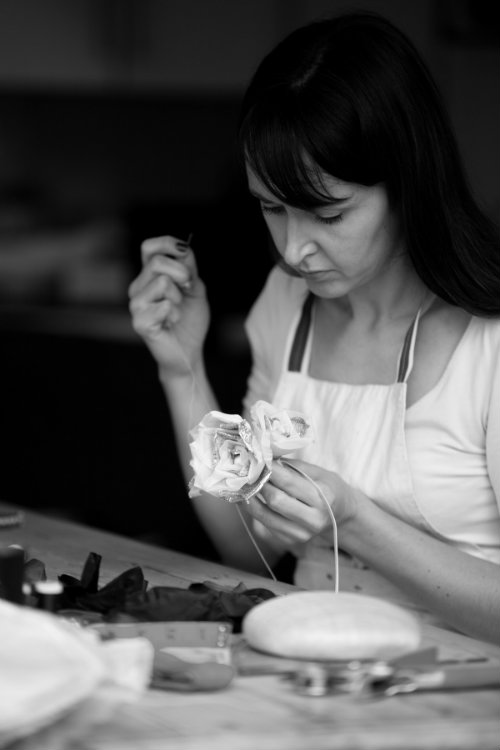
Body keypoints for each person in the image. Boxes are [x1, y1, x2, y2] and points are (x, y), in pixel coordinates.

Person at [128, 11, 500, 644]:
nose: (293, 250)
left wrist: (352, 522)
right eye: (272, 207)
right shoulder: (287, 302)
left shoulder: (486, 338)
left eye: (328, 215)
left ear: (409, 183)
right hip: (311, 673)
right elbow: (248, 550)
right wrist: (181, 366)